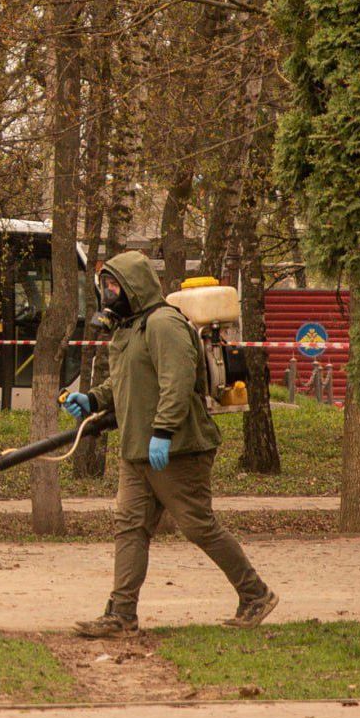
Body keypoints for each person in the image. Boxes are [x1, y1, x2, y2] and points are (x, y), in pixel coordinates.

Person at [63, 251, 278, 638]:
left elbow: (176, 383)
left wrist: (162, 432)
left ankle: (256, 594)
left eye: (114, 285)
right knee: (129, 528)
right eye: (106, 287)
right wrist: (94, 399)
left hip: (177, 450)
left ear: (134, 285)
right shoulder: (129, 328)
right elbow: (126, 380)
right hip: (137, 451)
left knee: (199, 527)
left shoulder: (164, 325)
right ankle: (121, 615)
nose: (109, 293)